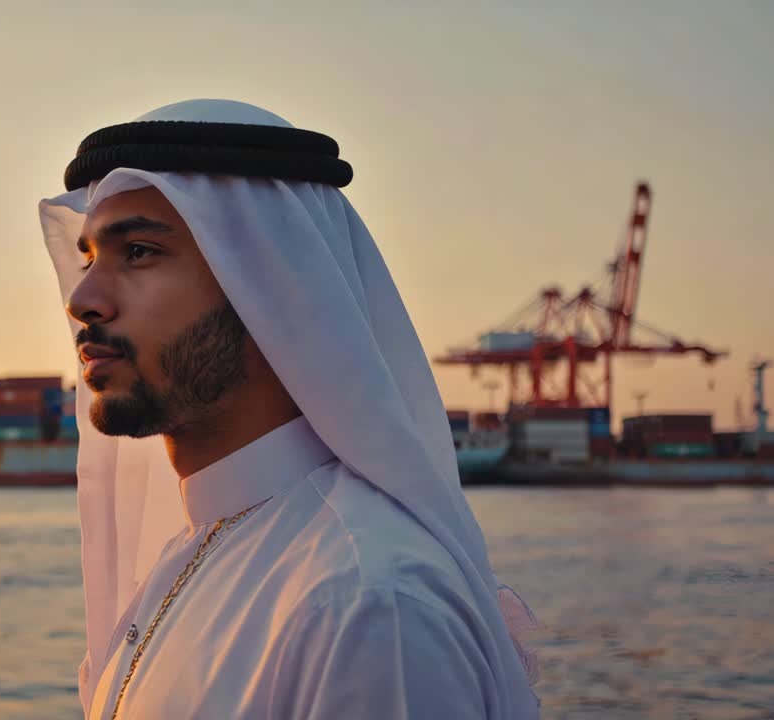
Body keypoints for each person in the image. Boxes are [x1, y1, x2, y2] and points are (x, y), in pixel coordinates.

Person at [38, 99, 540, 719]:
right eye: (88, 258)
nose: (83, 299)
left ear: (268, 284)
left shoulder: (367, 603)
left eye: (138, 252)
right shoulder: (204, 545)